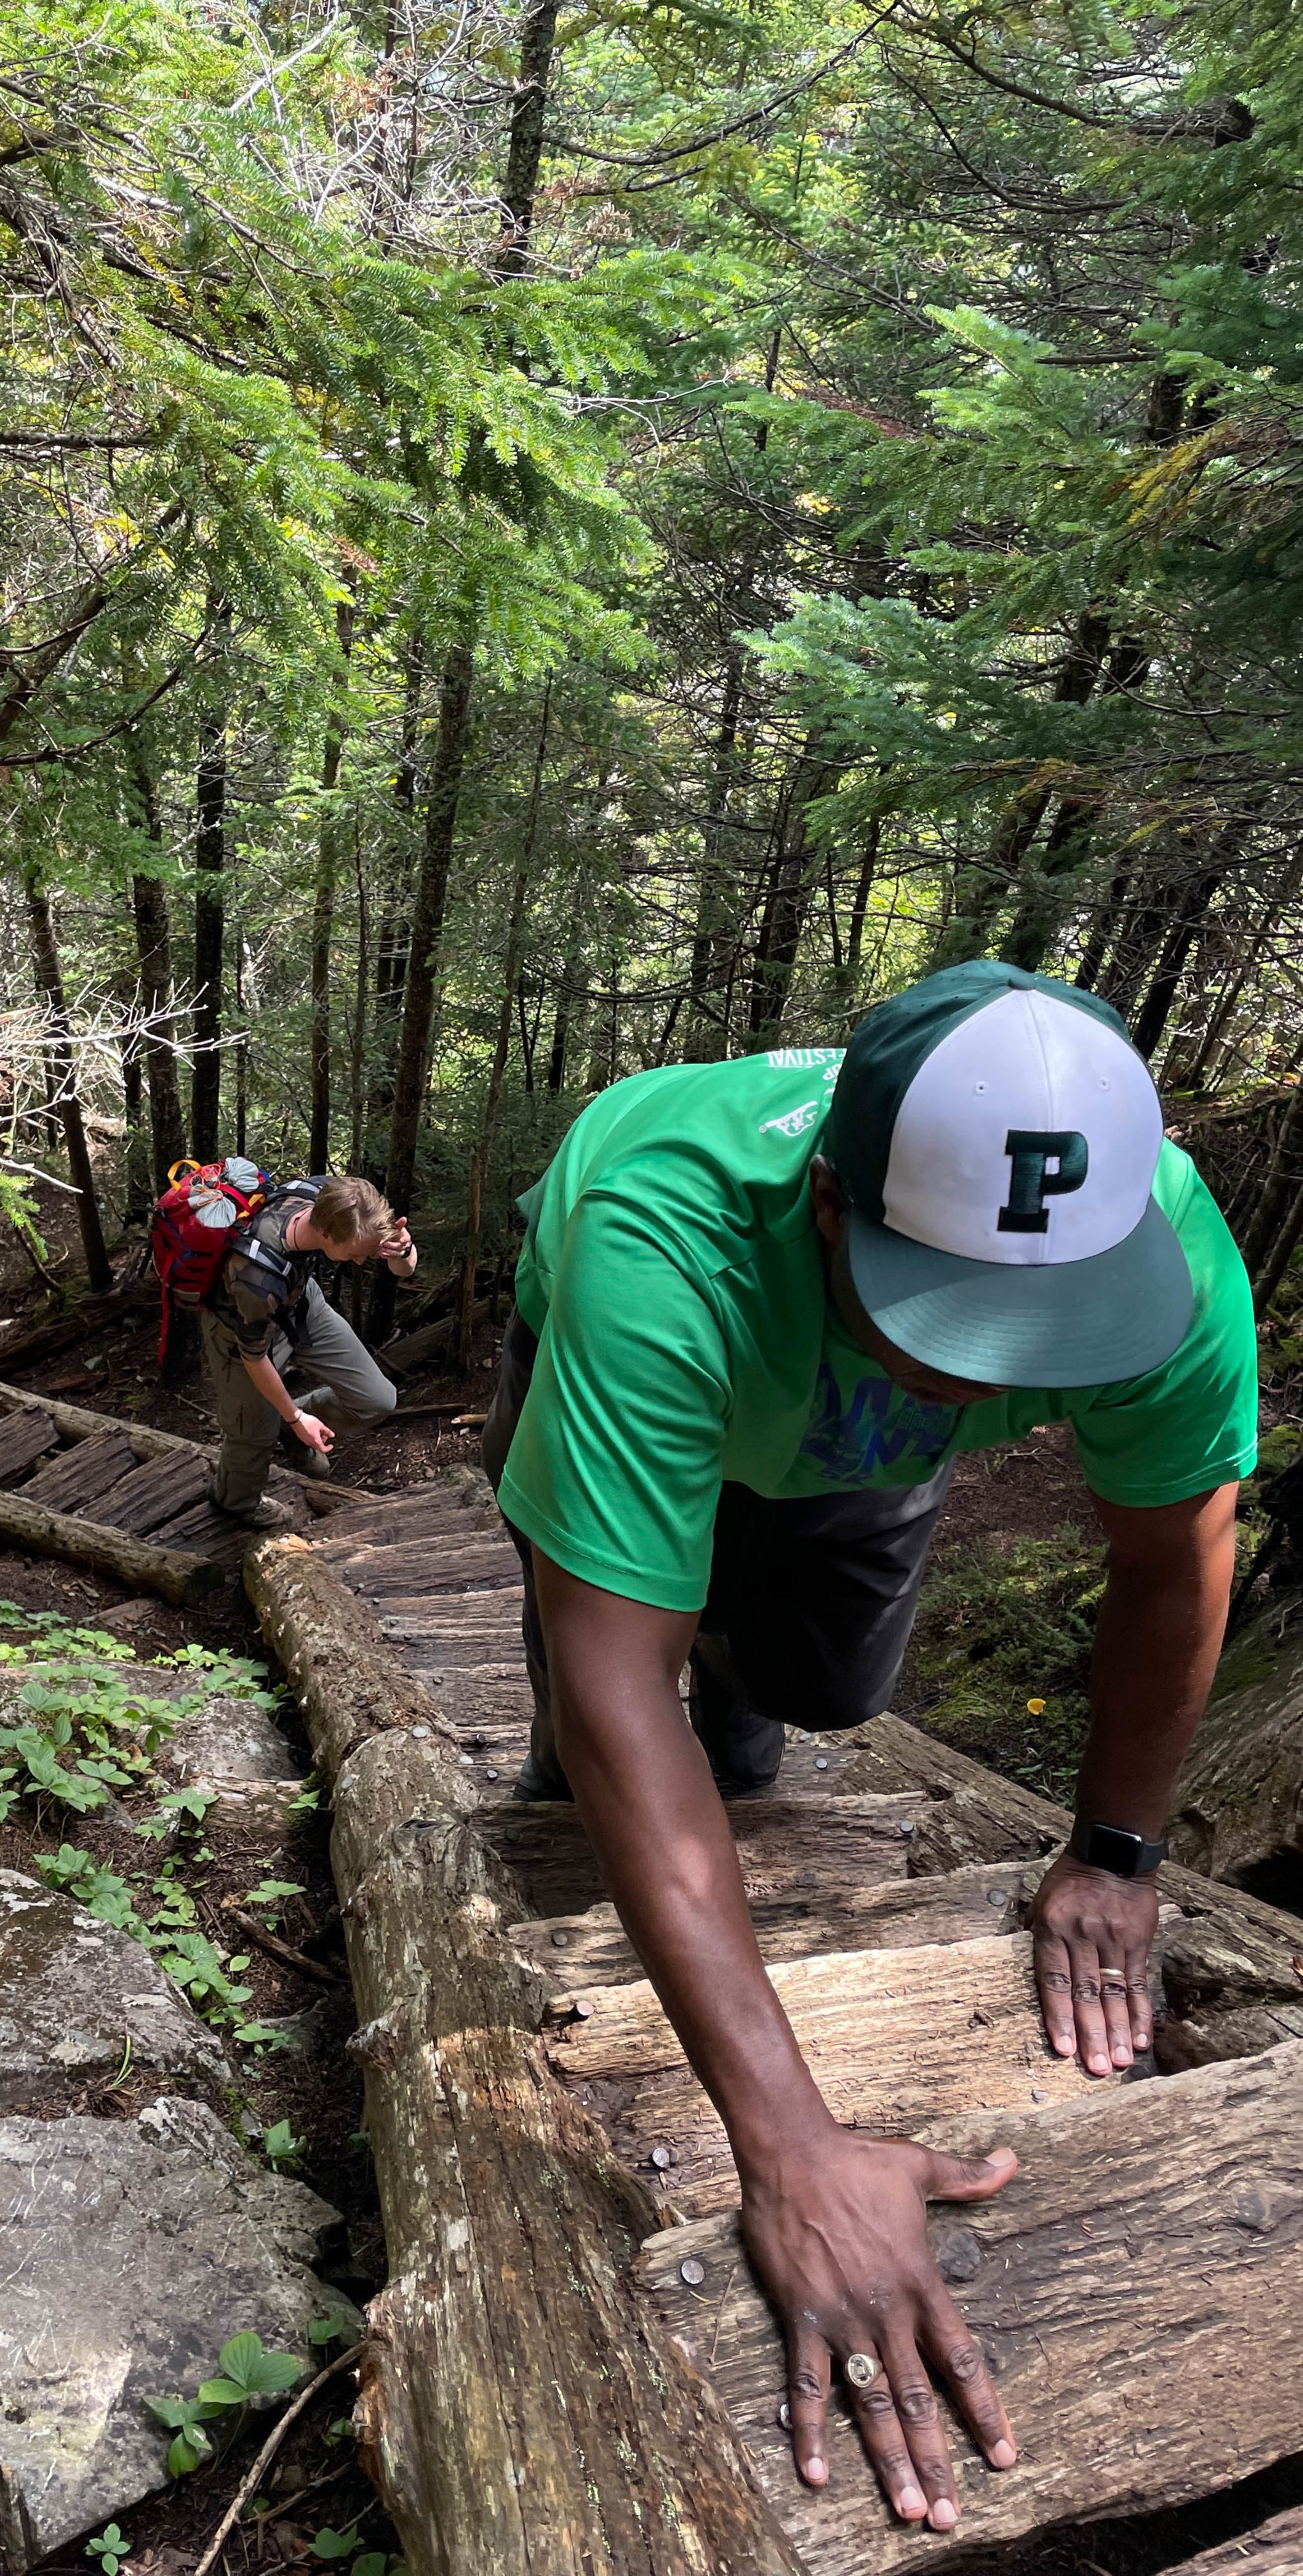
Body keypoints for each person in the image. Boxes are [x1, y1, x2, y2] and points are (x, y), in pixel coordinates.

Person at [480, 960, 1256, 2531]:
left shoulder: (1154, 1233)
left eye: (1036, 1327)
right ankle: (605, 1738)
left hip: (830, 1423)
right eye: (954, 1313)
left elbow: (1177, 1551)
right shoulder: (662, 1233)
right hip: (670, 1341)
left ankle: (735, 1690)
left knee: (825, 1691)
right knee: (600, 1704)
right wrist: (793, 2146)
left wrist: (1115, 1851)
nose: (986, 1375)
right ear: (830, 1204)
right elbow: (619, 1674)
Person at [202, 1171, 419, 1525]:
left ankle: (287, 1428)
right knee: (252, 1435)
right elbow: (254, 1358)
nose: (360, 1262)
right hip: (240, 1333)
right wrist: (295, 1415)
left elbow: (404, 1270)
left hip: (301, 1303)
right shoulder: (256, 1276)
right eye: (354, 1254)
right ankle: (235, 1502)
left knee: (378, 1400)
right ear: (327, 1235)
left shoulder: (337, 1200)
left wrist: (403, 1248)